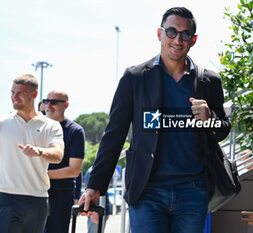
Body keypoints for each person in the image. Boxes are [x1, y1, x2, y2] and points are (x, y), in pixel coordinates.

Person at [79, 7, 230, 233]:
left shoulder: (209, 81)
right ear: (159, 34)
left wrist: (209, 119)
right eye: (171, 31)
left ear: (194, 40)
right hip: (147, 190)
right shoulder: (135, 78)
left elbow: (222, 130)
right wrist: (95, 186)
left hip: (193, 190)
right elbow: (114, 135)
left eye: (185, 34)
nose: (177, 39)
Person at [0, 74, 64, 233]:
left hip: (39, 200)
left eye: (21, 93)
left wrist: (39, 151)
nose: (15, 97)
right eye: (12, 92)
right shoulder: (2, 123)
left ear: (35, 95)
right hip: (7, 197)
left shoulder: (51, 126)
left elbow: (57, 155)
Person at [43, 90, 85, 233]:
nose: (48, 105)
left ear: (66, 105)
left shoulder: (75, 131)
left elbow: (74, 170)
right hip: (34, 193)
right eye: (46, 101)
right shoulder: (37, 128)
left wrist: (40, 174)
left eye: (54, 102)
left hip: (60, 196)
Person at [85, 167, 112, 233]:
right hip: (95, 212)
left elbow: (105, 194)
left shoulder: (101, 170)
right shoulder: (92, 172)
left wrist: (107, 211)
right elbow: (90, 194)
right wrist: (93, 213)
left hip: (101, 211)